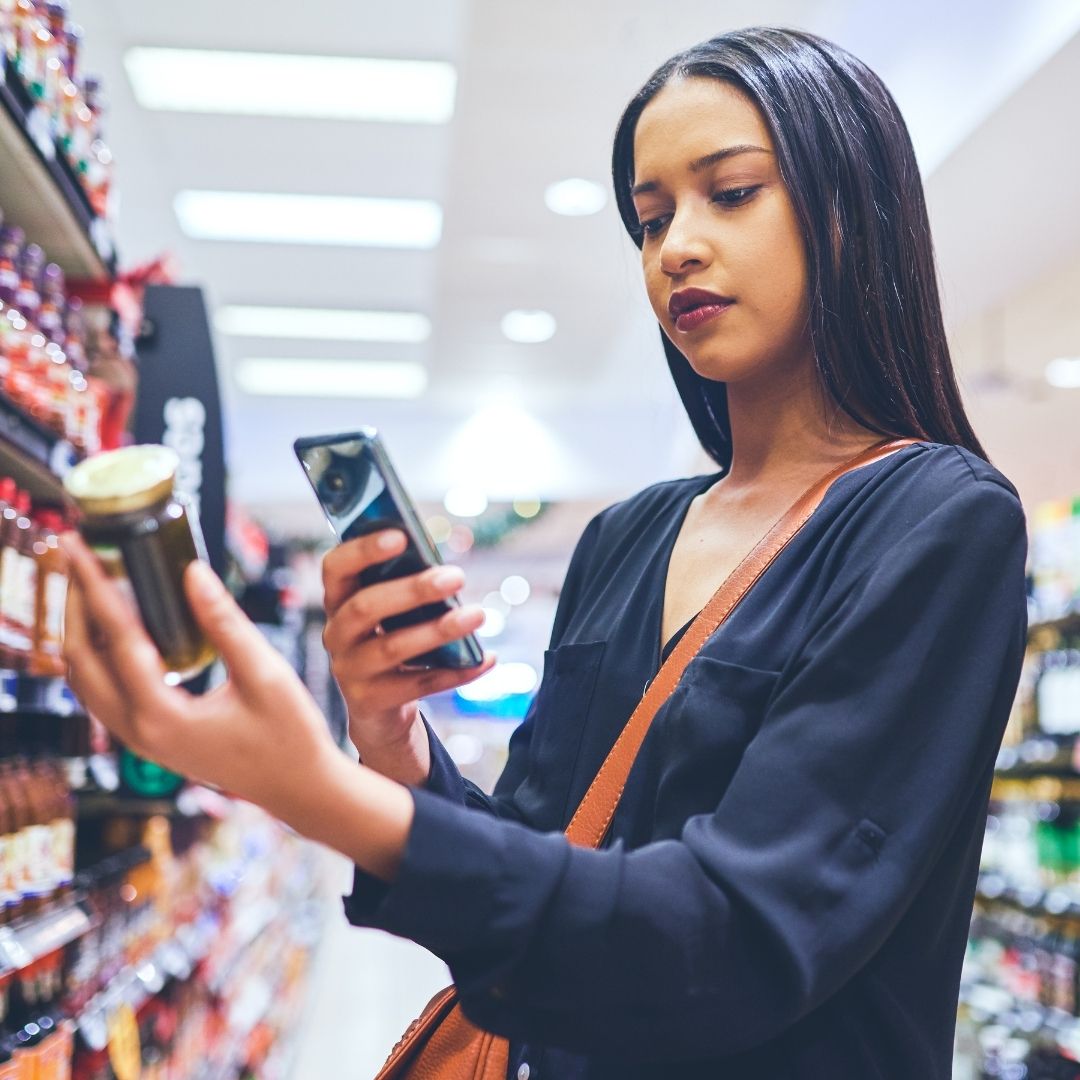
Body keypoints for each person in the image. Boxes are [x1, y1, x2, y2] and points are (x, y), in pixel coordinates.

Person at [61, 26, 1027, 1080]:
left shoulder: (937, 520)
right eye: (651, 219)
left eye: (732, 193)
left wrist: (315, 790)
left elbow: (733, 942)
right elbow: (533, 877)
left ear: (852, 210)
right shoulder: (626, 537)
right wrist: (391, 744)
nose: (675, 249)